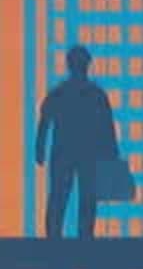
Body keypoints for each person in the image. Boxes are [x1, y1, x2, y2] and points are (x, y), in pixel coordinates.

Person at [34, 45, 120, 239]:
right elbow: (107, 127)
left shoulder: (60, 92)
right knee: (84, 196)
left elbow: (44, 122)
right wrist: (112, 153)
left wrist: (39, 148)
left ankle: (55, 236)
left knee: (61, 195)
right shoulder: (96, 94)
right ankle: (83, 236)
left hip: (65, 153)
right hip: (86, 154)